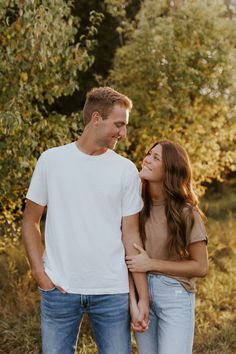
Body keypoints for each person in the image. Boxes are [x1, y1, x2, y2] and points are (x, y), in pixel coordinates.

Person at [22, 87, 149, 354]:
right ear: (95, 118)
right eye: (119, 124)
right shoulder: (51, 161)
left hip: (112, 291)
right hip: (59, 289)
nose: (123, 133)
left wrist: (140, 296)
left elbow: (131, 235)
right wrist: (39, 272)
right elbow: (30, 221)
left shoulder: (126, 170)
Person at [126, 140, 208, 354]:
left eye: (156, 157)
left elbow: (200, 267)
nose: (147, 159)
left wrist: (151, 263)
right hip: (141, 296)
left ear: (170, 168)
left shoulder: (186, 213)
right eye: (148, 154)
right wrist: (133, 303)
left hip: (175, 296)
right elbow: (127, 260)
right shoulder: (134, 207)